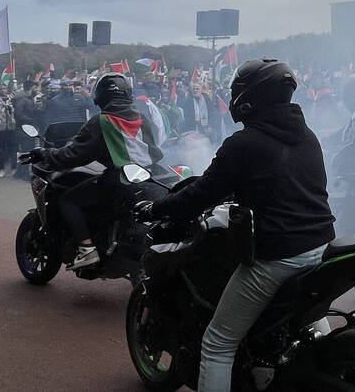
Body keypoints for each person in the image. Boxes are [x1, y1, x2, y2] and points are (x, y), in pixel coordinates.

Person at [135, 59, 335, 392]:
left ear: (248, 97)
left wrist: (157, 207)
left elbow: (201, 193)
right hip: (322, 245)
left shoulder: (244, 143)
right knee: (311, 318)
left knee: (218, 342)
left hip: (279, 255)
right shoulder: (307, 136)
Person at [20, 73, 162, 269]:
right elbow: (153, 150)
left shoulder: (101, 121)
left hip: (120, 180)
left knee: (67, 200)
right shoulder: (141, 118)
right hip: (147, 177)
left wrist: (45, 153)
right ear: (128, 95)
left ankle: (87, 249)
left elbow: (74, 154)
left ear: (100, 96)